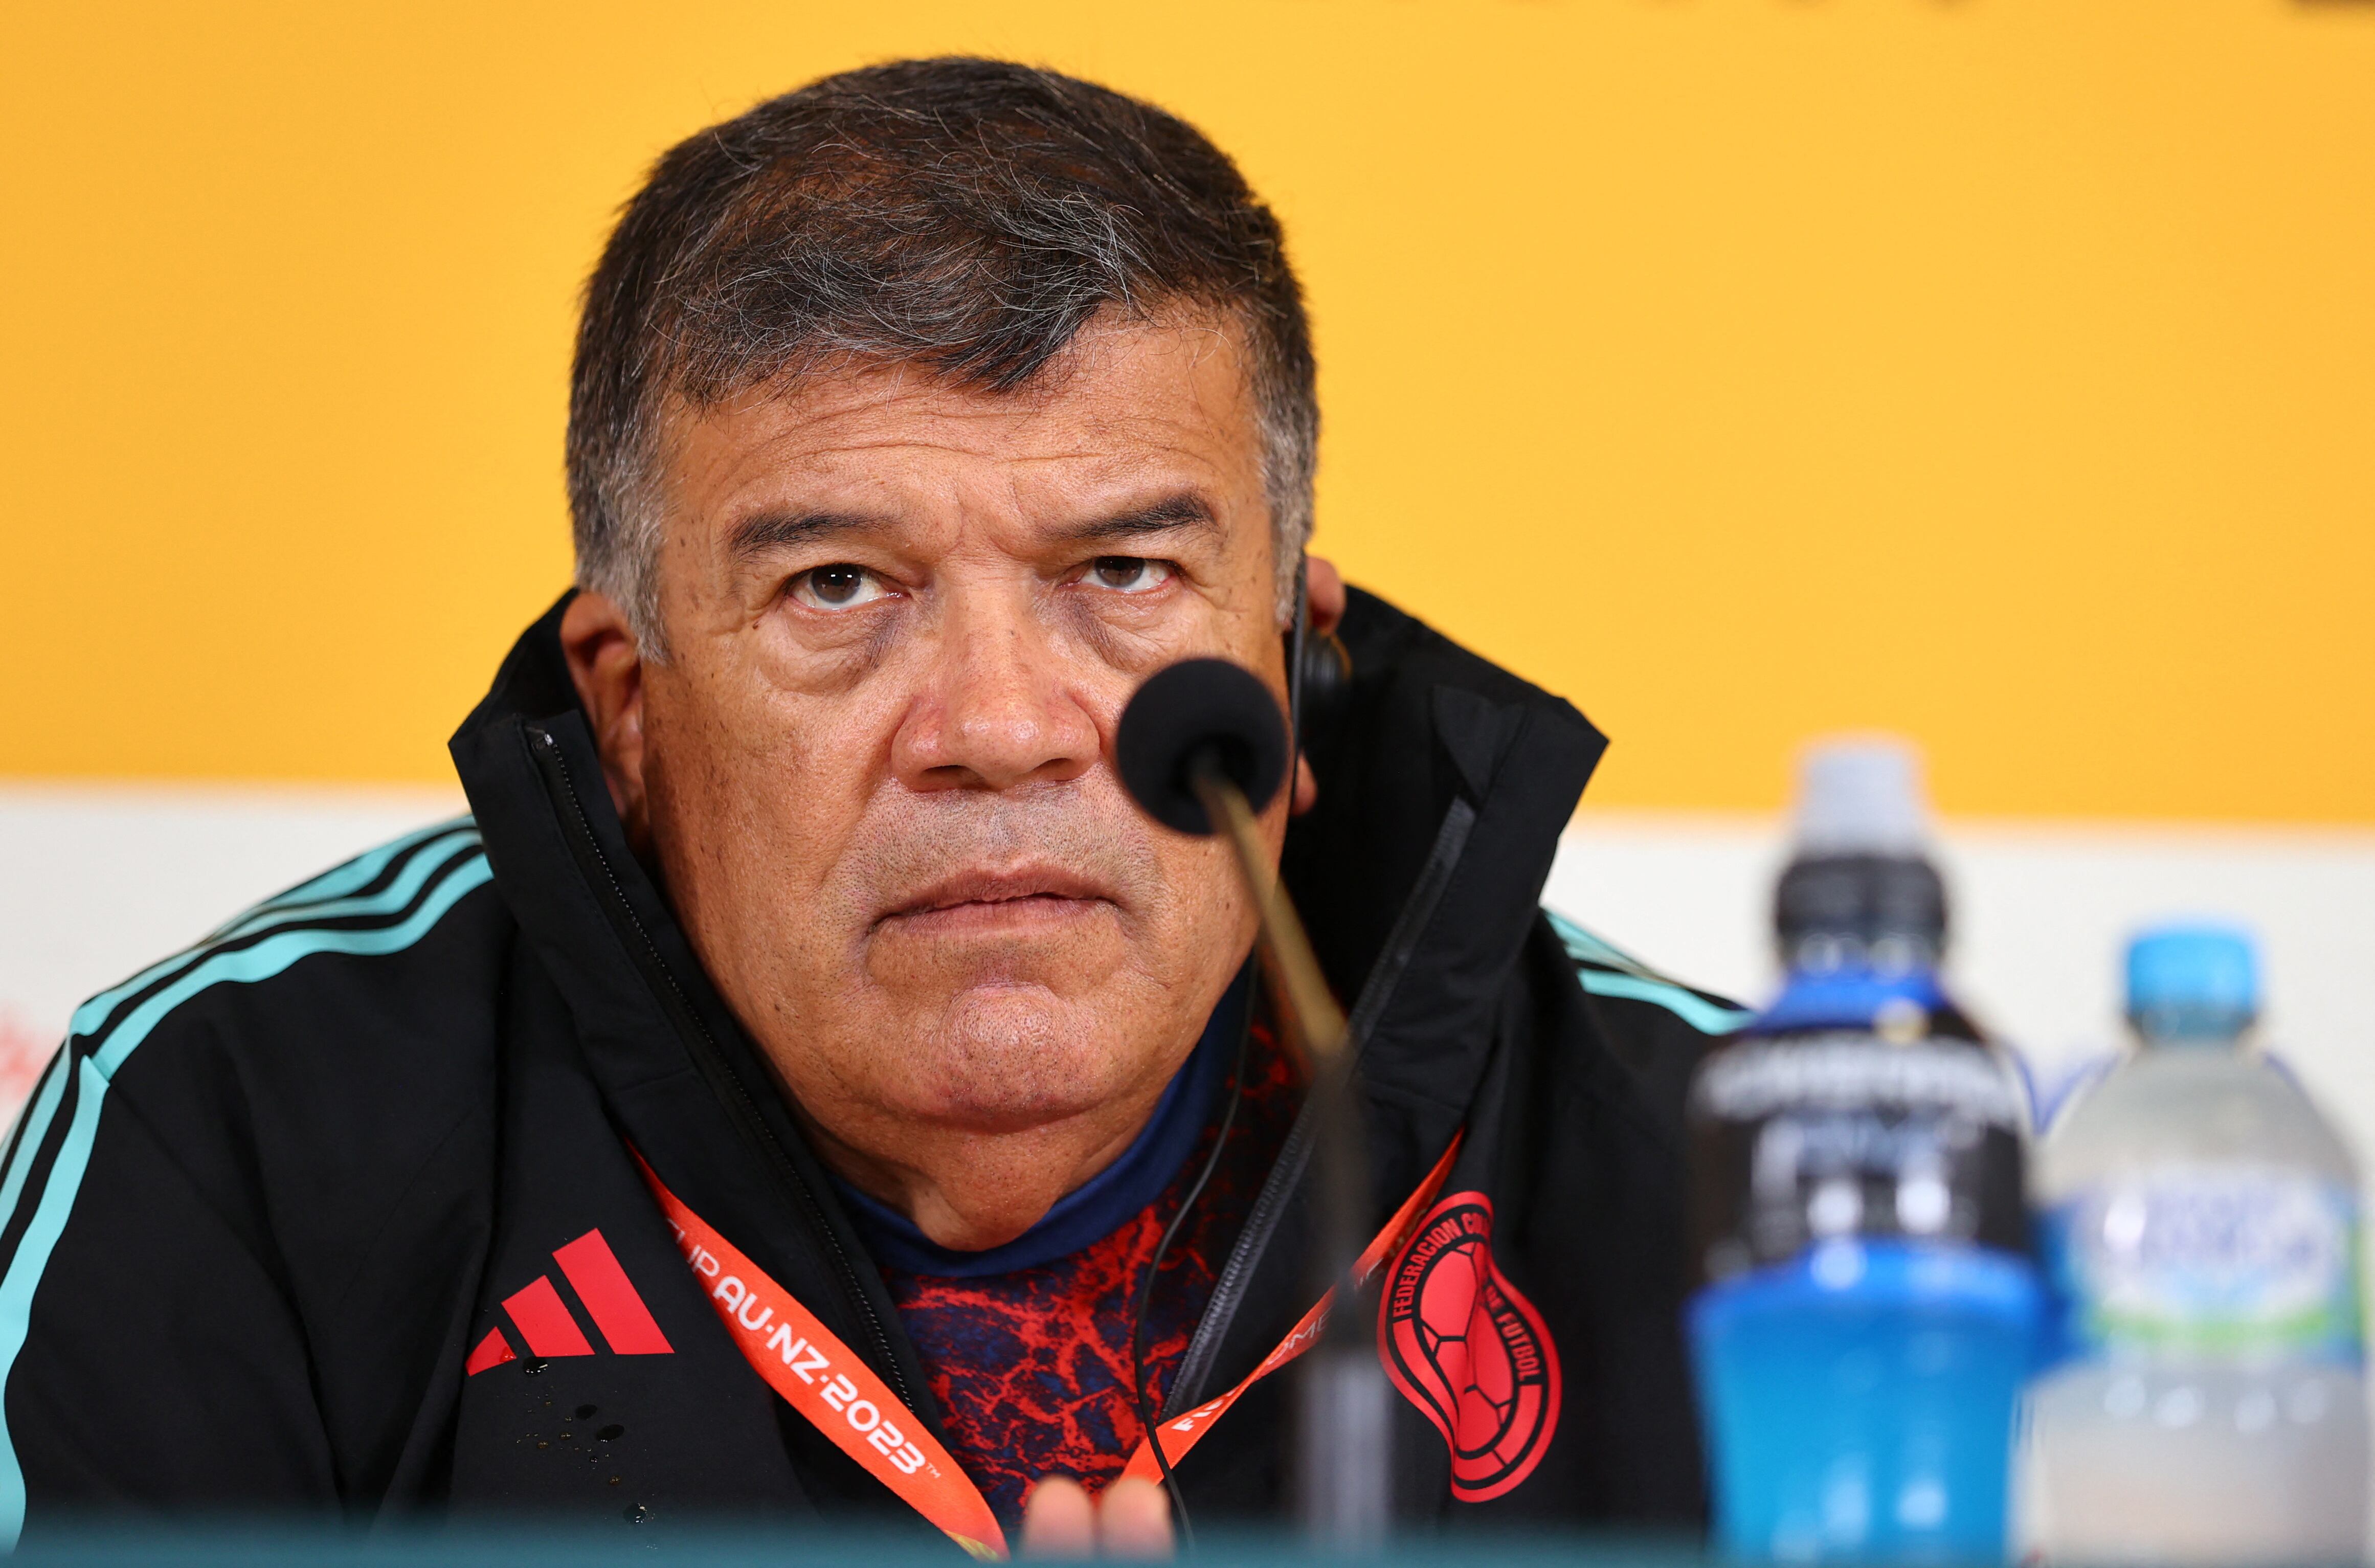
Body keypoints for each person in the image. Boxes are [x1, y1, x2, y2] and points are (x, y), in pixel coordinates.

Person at [0, 58, 1742, 1553]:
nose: (995, 727)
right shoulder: (235, 1141)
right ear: (628, 709)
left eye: (1123, 571)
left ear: (1299, 672)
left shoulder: (1729, 1182)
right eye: (838, 586)